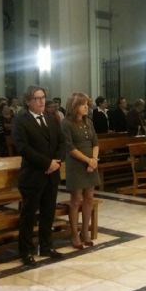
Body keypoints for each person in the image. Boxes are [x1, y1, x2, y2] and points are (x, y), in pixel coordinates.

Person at [12, 85, 66, 267]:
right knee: (29, 216)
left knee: (48, 213)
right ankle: (25, 251)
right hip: (33, 175)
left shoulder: (50, 118)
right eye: (37, 98)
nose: (42, 101)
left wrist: (57, 161)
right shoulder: (21, 120)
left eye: (43, 97)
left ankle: (46, 246)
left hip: (52, 174)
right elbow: (23, 148)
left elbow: (62, 142)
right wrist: (47, 163)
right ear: (28, 101)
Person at [61, 93, 100, 249]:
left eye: (87, 104)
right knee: (76, 199)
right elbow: (69, 147)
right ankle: (75, 234)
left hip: (91, 164)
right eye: (83, 104)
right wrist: (88, 160)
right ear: (74, 106)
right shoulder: (66, 123)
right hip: (76, 165)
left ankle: (85, 232)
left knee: (89, 197)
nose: (86, 107)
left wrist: (94, 160)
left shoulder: (88, 121)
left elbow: (95, 142)